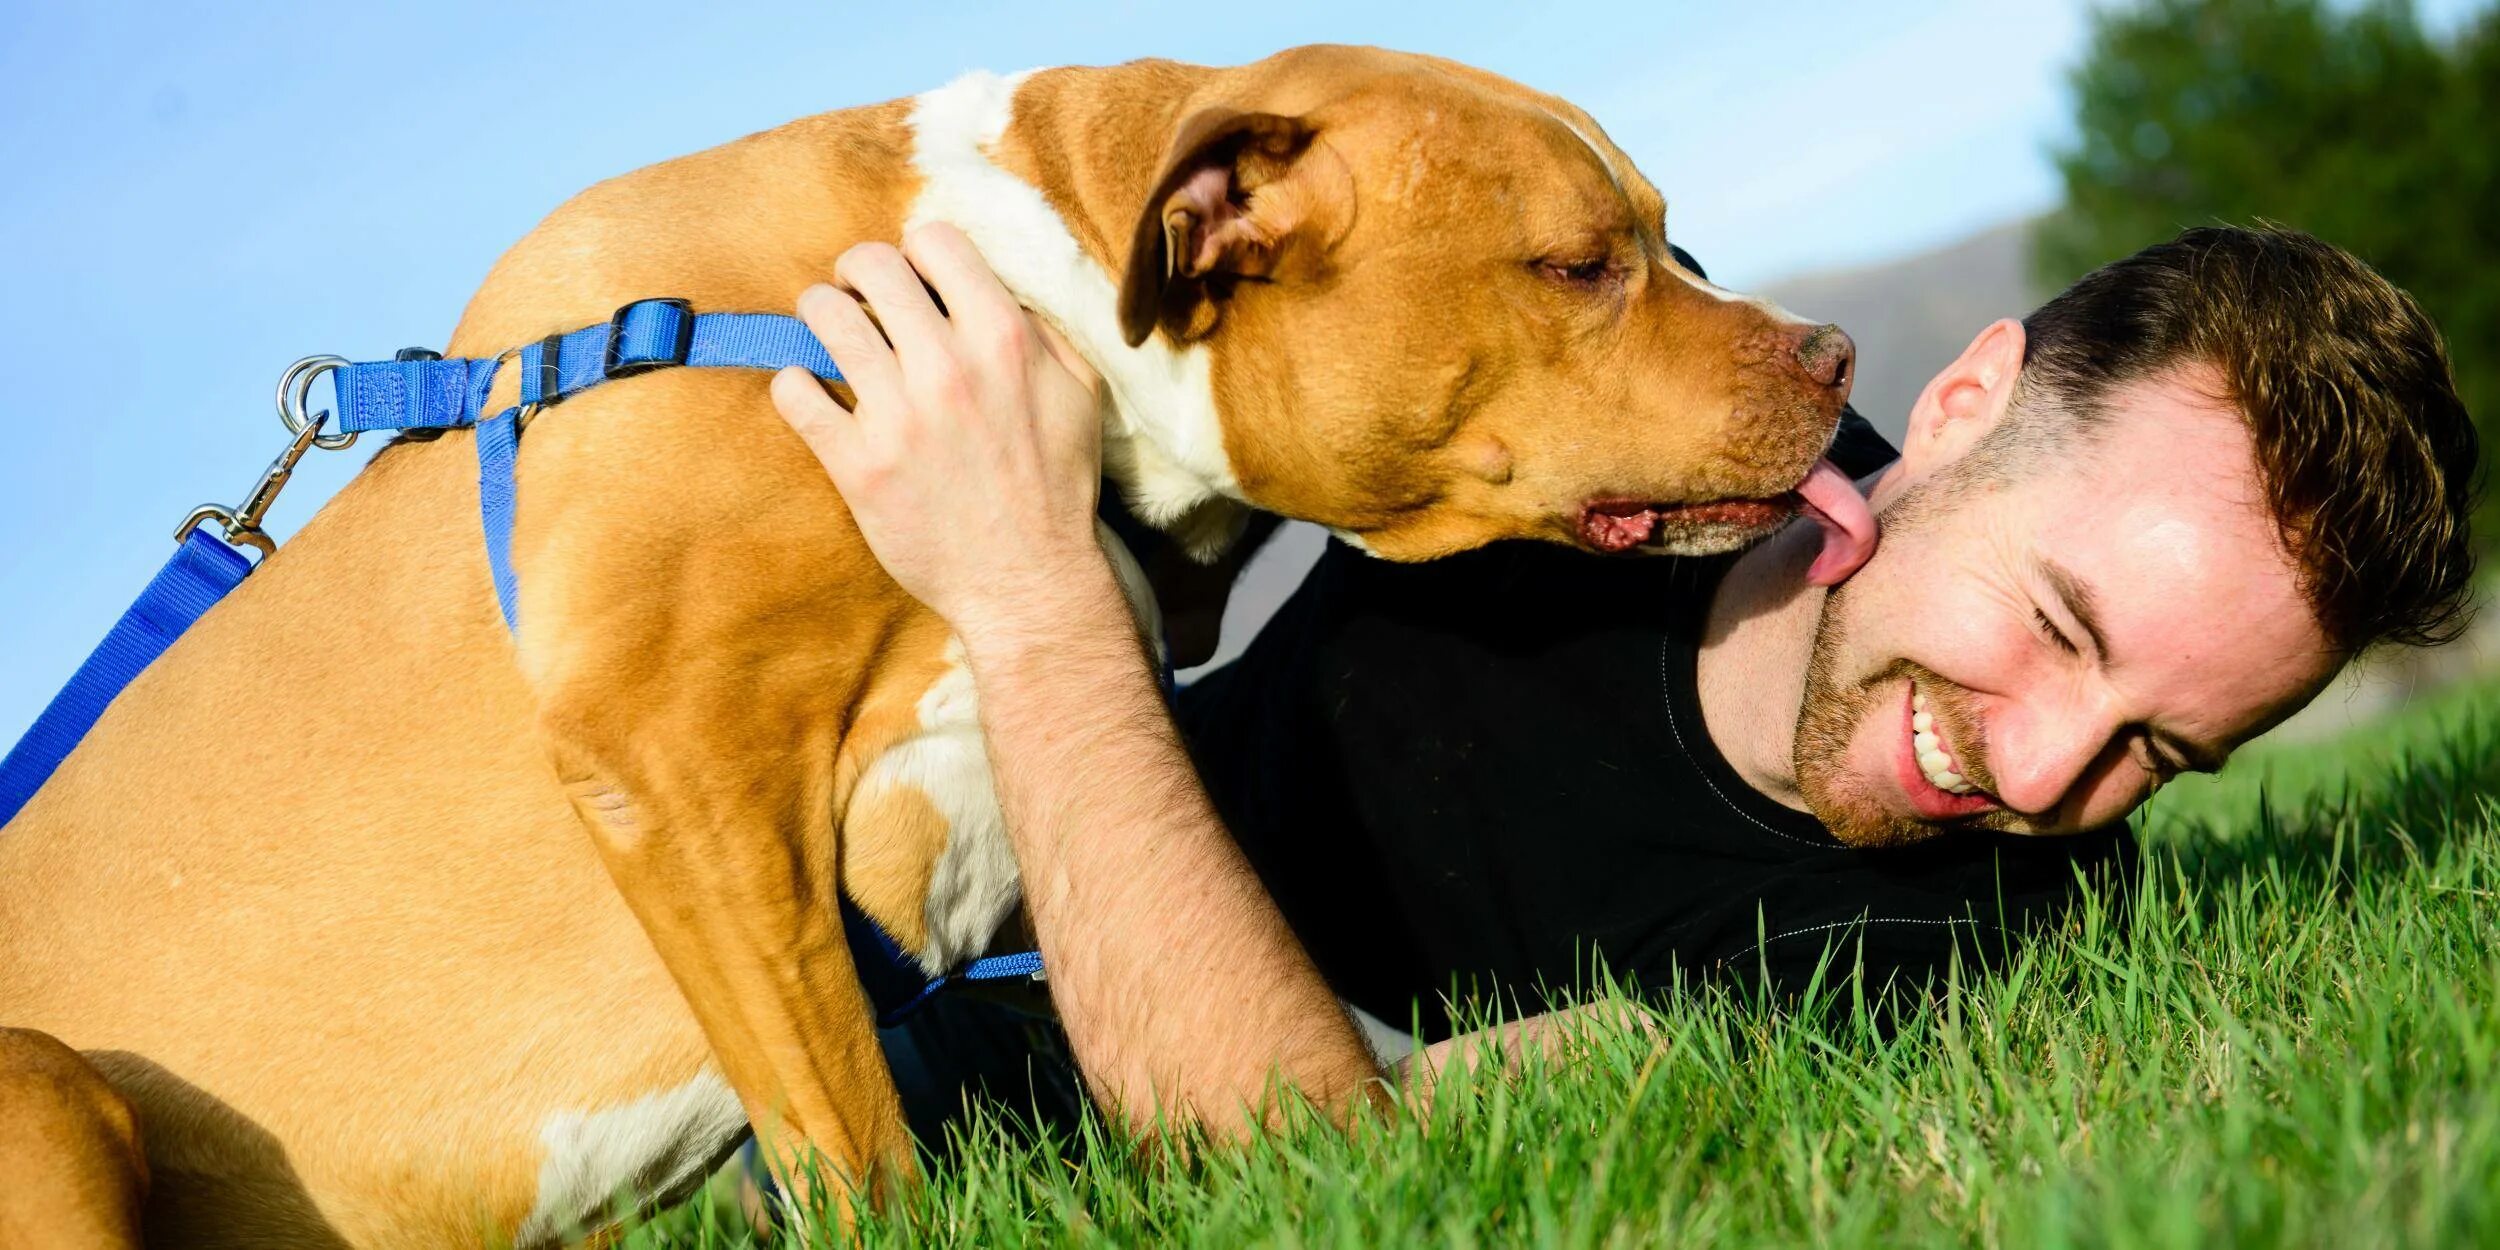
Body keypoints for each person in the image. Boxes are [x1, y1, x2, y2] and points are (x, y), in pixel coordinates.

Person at [764, 222, 2480, 1144]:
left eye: (2156, 753)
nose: (2039, 779)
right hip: (909, 831)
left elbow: (1295, 1152)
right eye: (2059, 623)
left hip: (1032, 1066)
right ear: (1961, 406)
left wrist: (1034, 594)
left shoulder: (1943, 951)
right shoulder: (1638, 397)